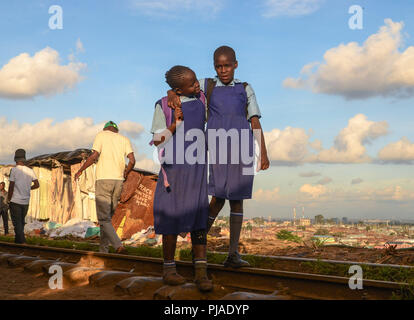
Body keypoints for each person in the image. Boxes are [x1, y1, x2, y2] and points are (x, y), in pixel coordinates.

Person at [168, 46, 270, 268]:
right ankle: (198, 248)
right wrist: (171, 94)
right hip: (217, 147)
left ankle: (232, 255)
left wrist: (263, 152)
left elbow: (254, 121)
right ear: (214, 66)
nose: (223, 70)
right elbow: (180, 87)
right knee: (217, 198)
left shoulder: (245, 88)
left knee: (237, 200)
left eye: (227, 65)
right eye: (218, 66)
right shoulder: (207, 85)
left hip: (243, 148)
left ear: (235, 64)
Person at [151, 65, 213, 292]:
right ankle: (168, 269)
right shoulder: (162, 106)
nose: (197, 85)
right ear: (178, 88)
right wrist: (174, 125)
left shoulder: (202, 98)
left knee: (199, 215)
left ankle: (201, 272)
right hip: (174, 170)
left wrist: (174, 93)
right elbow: (158, 140)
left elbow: (214, 81)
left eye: (196, 80)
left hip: (196, 170)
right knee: (170, 216)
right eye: (192, 83)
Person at [75, 121, 135, 254]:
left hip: (103, 180)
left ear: (105, 129)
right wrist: (126, 172)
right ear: (116, 131)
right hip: (118, 182)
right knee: (106, 220)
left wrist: (80, 170)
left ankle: (118, 245)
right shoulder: (124, 139)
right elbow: (132, 160)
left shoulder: (101, 135)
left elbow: (94, 155)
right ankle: (103, 251)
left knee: (103, 219)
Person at [7, 149, 40, 243]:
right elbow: (37, 185)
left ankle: (23, 242)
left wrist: (8, 199)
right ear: (24, 159)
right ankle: (17, 243)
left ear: (16, 159)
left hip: (15, 201)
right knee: (21, 222)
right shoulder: (30, 171)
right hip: (26, 202)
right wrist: (28, 188)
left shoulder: (14, 170)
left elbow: (11, 186)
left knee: (17, 224)